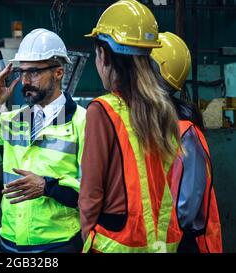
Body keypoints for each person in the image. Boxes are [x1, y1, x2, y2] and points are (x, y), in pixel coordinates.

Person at [0, 28, 86, 253]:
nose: (25, 80)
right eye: (22, 72)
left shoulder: (83, 122)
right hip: (10, 244)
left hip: (58, 246)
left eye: (34, 72)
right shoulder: (12, 121)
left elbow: (93, 192)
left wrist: (48, 187)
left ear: (58, 72)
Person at [79, 0, 184, 253]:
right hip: (161, 245)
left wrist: (88, 236)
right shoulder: (163, 109)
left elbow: (90, 194)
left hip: (114, 244)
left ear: (103, 55)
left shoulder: (102, 110)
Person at [150, 32, 222, 253]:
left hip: (178, 244)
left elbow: (186, 212)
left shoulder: (185, 133)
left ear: (155, 73)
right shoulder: (150, 125)